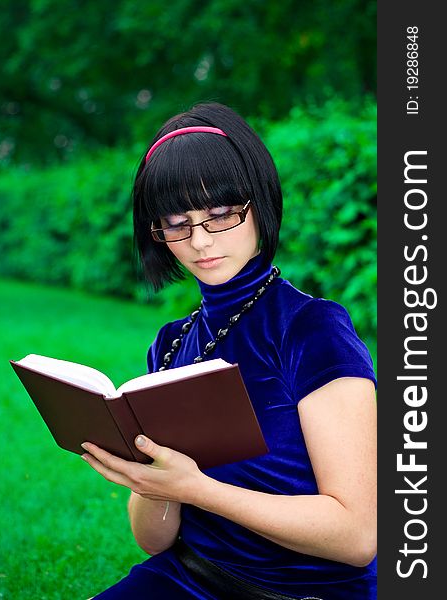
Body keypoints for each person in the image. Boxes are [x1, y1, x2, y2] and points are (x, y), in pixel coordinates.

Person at [81, 102, 377, 600]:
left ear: (259, 203)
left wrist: (196, 489)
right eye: (176, 224)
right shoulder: (172, 344)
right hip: (188, 576)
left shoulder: (311, 329)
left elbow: (358, 536)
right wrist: (149, 480)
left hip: (307, 593)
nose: (199, 241)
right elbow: (153, 541)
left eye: (219, 215)